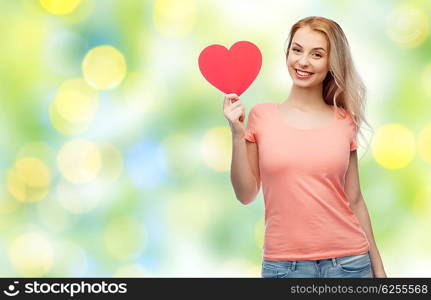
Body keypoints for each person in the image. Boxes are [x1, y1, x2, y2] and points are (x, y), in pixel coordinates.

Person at [223, 16, 387, 278]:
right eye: (297, 50)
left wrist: (378, 268)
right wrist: (236, 133)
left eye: (317, 54)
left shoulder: (344, 121)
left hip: (349, 264)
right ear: (287, 52)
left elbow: (354, 199)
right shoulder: (261, 116)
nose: (303, 61)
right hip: (284, 267)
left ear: (331, 62)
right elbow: (245, 194)